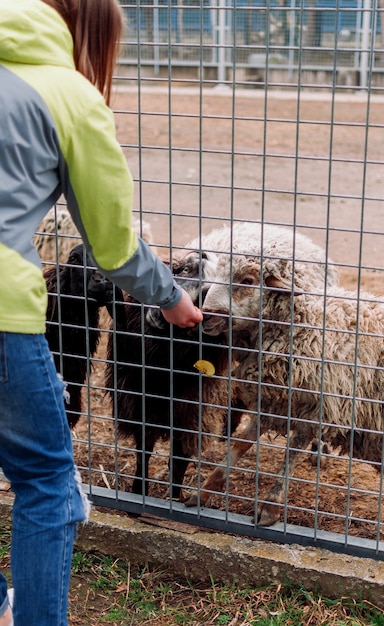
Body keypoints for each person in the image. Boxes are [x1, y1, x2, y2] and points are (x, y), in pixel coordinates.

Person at [0, 0, 203, 624]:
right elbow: (112, 244)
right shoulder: (67, 94)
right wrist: (172, 300)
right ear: (91, 29)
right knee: (46, 480)